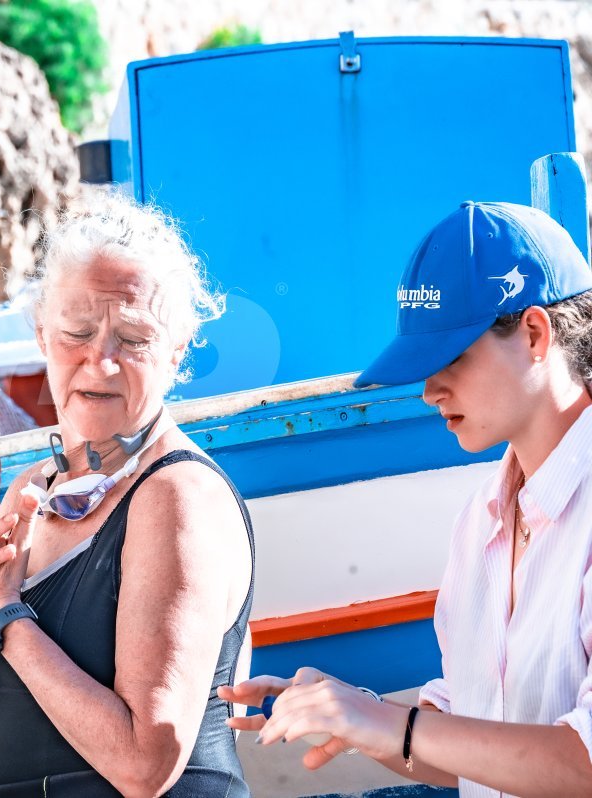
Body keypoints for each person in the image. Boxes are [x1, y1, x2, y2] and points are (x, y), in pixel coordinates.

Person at [220, 201, 592, 796]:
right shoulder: (481, 520)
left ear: (534, 333)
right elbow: (468, 750)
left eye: (450, 357)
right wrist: (351, 712)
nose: (429, 390)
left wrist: (388, 724)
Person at [0, 195, 255, 797]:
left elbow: (146, 765)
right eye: (78, 333)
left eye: (134, 338)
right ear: (42, 334)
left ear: (177, 349)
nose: (102, 361)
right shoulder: (25, 495)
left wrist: (5, 614)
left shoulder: (176, 496)